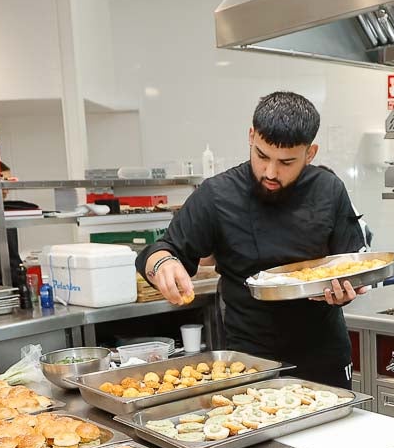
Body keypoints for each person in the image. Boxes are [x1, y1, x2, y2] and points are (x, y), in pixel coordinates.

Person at [136, 92, 366, 388]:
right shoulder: (217, 195)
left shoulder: (329, 190)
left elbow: (352, 263)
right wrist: (162, 264)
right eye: (262, 155)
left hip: (323, 355)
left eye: (286, 162)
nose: (271, 172)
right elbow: (160, 251)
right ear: (251, 136)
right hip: (249, 359)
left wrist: (347, 290)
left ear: (310, 153)